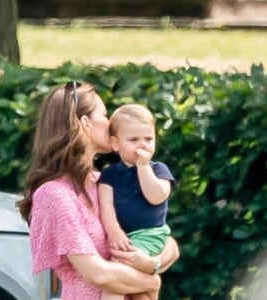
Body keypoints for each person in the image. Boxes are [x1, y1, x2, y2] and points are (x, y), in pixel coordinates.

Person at [16, 81, 179, 300]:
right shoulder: (55, 194)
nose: (111, 122)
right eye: (104, 114)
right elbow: (98, 274)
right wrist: (152, 279)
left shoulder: (104, 181)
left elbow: (168, 242)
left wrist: (152, 263)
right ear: (85, 123)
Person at [98, 104, 175, 300]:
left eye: (148, 139)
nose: (143, 145)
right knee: (136, 290)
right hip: (126, 236)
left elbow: (156, 196)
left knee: (117, 272)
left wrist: (143, 168)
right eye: (133, 140)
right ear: (115, 144)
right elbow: (105, 205)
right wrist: (113, 230)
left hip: (151, 235)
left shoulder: (158, 169)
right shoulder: (109, 175)